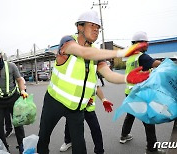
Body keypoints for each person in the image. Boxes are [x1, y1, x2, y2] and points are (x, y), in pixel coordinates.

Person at [37, 10, 150, 154]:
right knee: (43, 139)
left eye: (98, 27)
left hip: (77, 108)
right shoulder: (67, 41)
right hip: (54, 102)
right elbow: (83, 52)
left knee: (80, 147)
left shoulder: (96, 53)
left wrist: (126, 78)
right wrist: (121, 52)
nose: (96, 30)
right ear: (80, 27)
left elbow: (108, 75)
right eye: (92, 26)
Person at [119, 31, 165, 154]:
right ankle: (152, 149)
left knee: (130, 114)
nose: (148, 44)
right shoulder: (142, 57)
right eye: (146, 42)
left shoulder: (131, 57)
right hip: (140, 92)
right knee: (148, 120)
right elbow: (158, 65)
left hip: (130, 92)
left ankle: (124, 135)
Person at [60, 83, 113, 154]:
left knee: (95, 128)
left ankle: (99, 150)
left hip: (88, 108)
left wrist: (103, 99)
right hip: (76, 107)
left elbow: (96, 87)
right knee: (69, 124)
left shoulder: (93, 73)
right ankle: (68, 141)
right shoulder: (76, 73)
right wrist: (82, 100)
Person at [0, 47, 28, 154]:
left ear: (1, 55)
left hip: (13, 97)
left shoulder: (11, 66)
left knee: (18, 124)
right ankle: (4, 148)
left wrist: (23, 90)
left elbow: (19, 79)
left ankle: (22, 146)